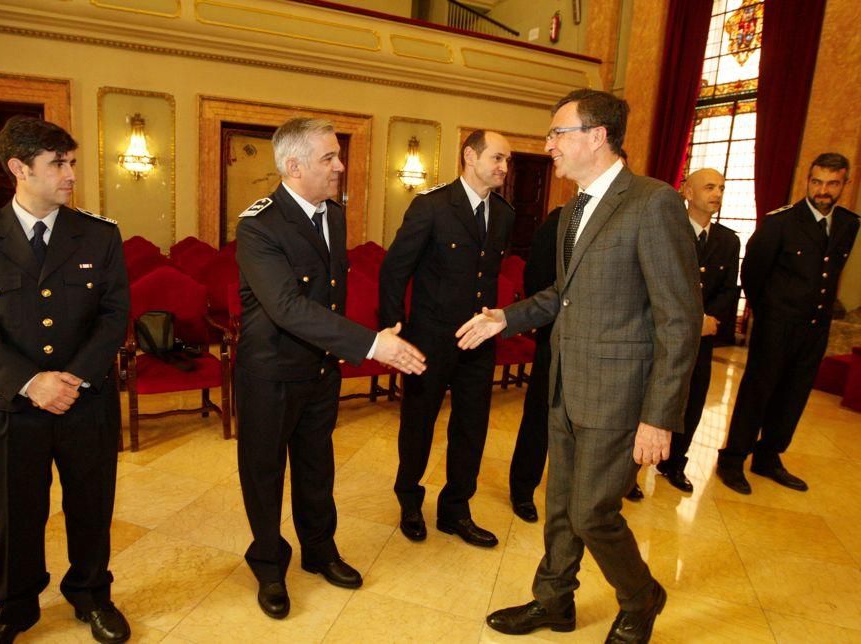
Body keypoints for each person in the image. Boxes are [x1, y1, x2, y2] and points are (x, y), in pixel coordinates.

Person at [456, 89, 702, 642]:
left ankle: (641, 597)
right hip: (566, 386)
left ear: (596, 136)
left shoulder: (652, 202)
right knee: (562, 504)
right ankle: (555, 602)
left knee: (593, 513)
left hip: (619, 396)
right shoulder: (572, 212)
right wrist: (505, 317)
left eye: (557, 133)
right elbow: (561, 295)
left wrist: (660, 416)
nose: (548, 146)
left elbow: (679, 320)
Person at [0, 116, 131, 644]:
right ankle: (15, 606)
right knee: (14, 510)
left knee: (90, 505)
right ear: (19, 169)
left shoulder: (99, 234)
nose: (71, 174)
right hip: (12, 406)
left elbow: (114, 315)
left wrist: (70, 378)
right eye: (58, 164)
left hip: (84, 401)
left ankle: (92, 595)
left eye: (72, 162)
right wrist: (31, 383)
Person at [234, 117, 426, 620]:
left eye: (338, 155)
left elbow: (330, 298)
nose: (340, 166)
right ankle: (270, 565)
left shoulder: (333, 215)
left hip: (319, 369)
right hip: (271, 371)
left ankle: (321, 551)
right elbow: (288, 307)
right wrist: (371, 344)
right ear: (293, 166)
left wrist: (347, 349)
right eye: (328, 158)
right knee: (264, 472)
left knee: (317, 467)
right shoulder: (258, 224)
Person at [379, 130, 515, 548]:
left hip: (478, 340)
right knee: (418, 424)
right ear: (469, 156)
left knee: (471, 428)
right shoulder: (432, 207)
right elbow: (394, 269)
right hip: (429, 339)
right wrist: (392, 325)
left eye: (507, 161)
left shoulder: (505, 214)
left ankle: (456, 509)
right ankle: (409, 499)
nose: (503, 168)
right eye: (496, 158)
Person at [717, 153, 859, 494]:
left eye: (831, 183)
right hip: (776, 324)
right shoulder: (781, 222)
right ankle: (733, 459)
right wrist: (768, 315)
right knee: (758, 392)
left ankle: (769, 457)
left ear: (844, 184)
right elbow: (752, 273)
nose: (823, 190)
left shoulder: (848, 224)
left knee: (794, 395)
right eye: (817, 182)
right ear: (807, 181)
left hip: (815, 327)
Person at [653, 168, 741, 493]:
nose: (716, 193)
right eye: (708, 187)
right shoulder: (666, 231)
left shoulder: (728, 241)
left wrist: (711, 317)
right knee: (650, 400)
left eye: (720, 187)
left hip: (701, 340)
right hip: (662, 335)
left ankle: (674, 463)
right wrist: (691, 319)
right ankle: (631, 471)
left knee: (692, 401)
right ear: (688, 193)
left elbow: (729, 289)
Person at [508, 206, 560, 522]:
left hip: (601, 346)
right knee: (539, 416)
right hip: (555, 335)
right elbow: (536, 280)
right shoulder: (558, 222)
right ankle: (523, 489)